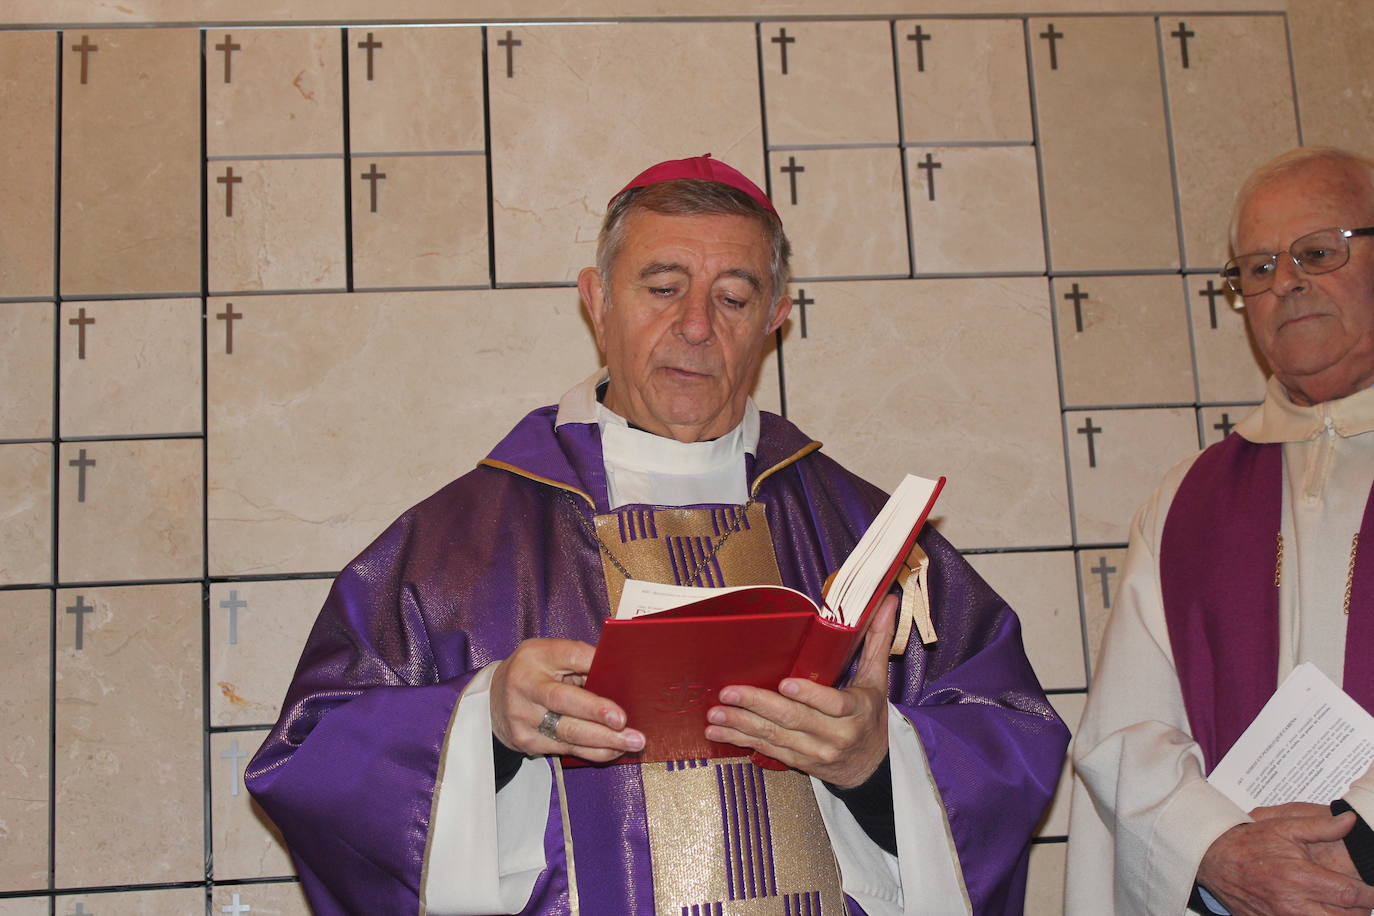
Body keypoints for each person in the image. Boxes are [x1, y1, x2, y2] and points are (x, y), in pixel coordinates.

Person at [247, 154, 1067, 916]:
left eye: (734, 298)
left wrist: (881, 764)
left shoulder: (869, 536)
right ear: (597, 300)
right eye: (663, 287)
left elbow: (1012, 734)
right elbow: (311, 761)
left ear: (776, 318)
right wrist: (483, 722)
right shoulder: (459, 545)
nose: (698, 327)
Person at [1066, 146, 1374, 916]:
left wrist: (1359, 837)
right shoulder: (1188, 499)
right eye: (1257, 268)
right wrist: (1217, 849)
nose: (1287, 283)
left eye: (1318, 252)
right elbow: (1125, 731)